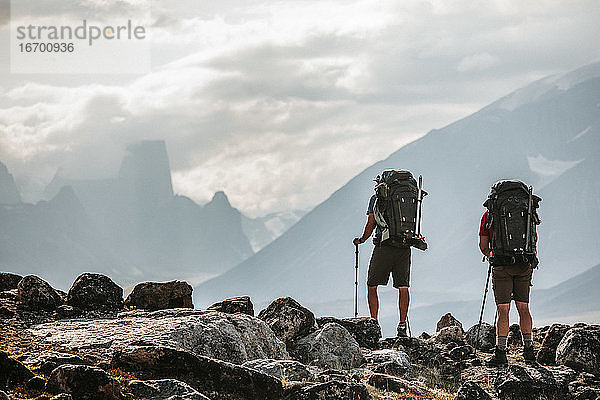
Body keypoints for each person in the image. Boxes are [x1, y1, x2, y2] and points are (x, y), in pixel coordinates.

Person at [354, 177, 411, 337]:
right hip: (404, 246)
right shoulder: (407, 197)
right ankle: (402, 325)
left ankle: (374, 323)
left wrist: (362, 240)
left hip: (383, 246)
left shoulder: (376, 198)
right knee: (403, 286)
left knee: (372, 284)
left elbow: (371, 223)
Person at [479, 210, 536, 365]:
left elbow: (483, 245)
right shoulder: (527, 211)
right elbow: (534, 238)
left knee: (503, 310)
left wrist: (491, 255)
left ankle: (501, 353)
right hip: (524, 264)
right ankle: (529, 350)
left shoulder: (489, 214)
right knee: (523, 308)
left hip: (501, 265)